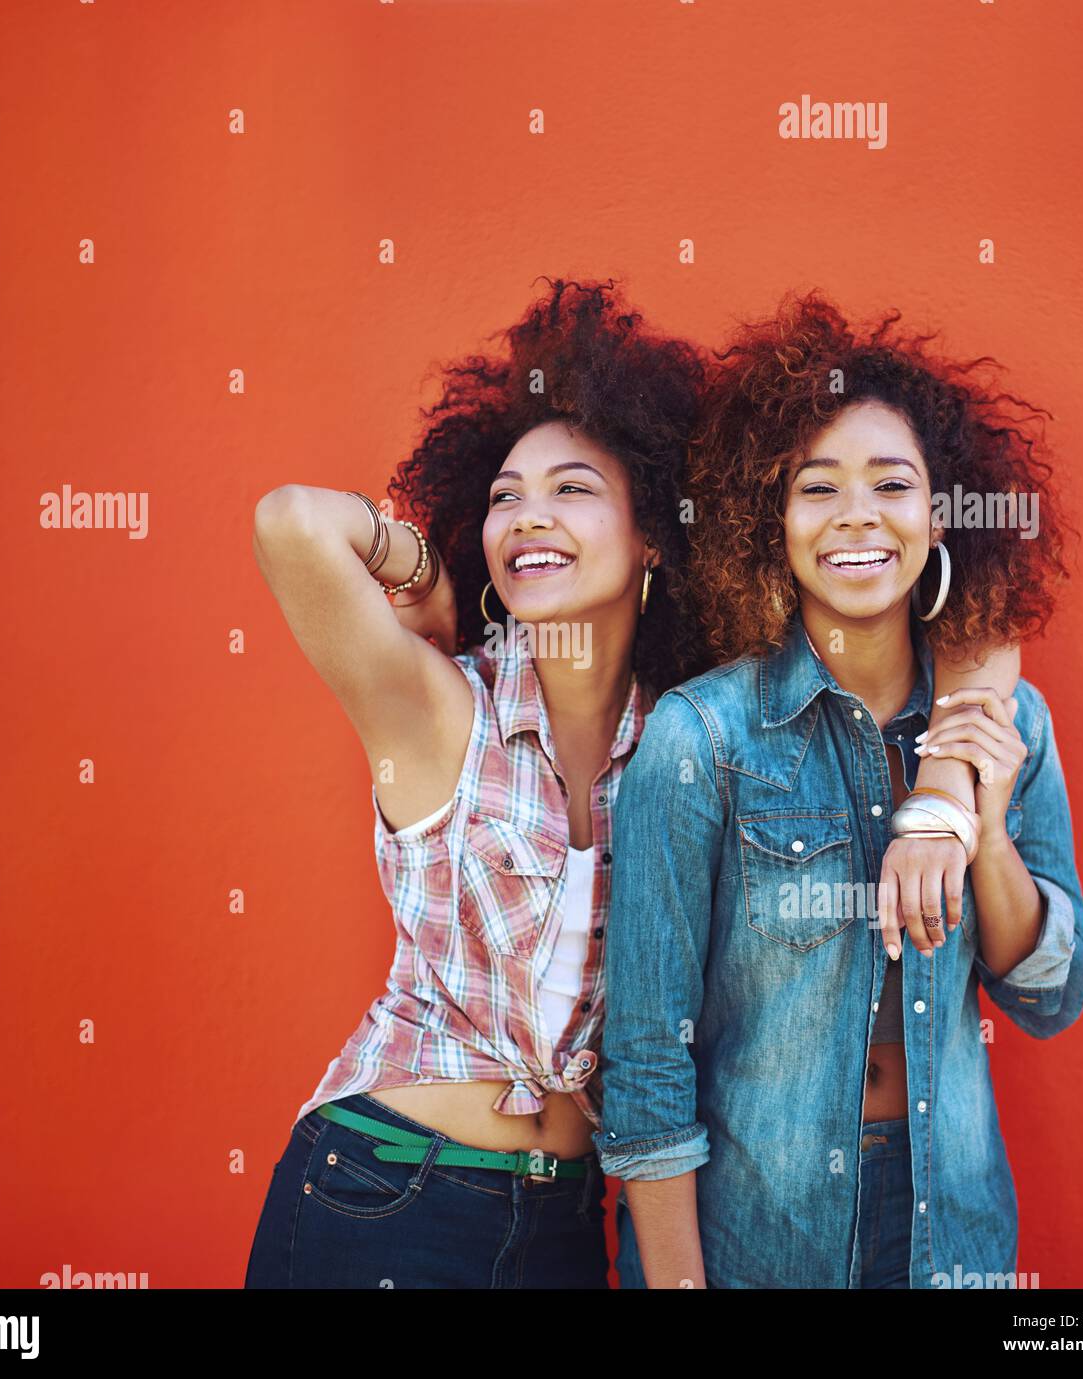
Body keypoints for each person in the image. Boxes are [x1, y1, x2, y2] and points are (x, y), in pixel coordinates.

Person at [594, 290, 1083, 1288]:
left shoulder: (1004, 721)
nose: (858, 516)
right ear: (771, 520)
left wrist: (978, 827)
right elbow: (647, 1056)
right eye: (817, 488)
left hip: (948, 1230)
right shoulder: (701, 737)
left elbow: (1047, 996)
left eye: (891, 484)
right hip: (758, 1233)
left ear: (938, 511)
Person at [242, 277, 710, 1288]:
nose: (528, 515)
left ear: (653, 541)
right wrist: (419, 571)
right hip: (382, 1192)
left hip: (562, 1226)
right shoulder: (443, 708)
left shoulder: (684, 741)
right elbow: (289, 523)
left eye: (572, 488)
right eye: (504, 497)